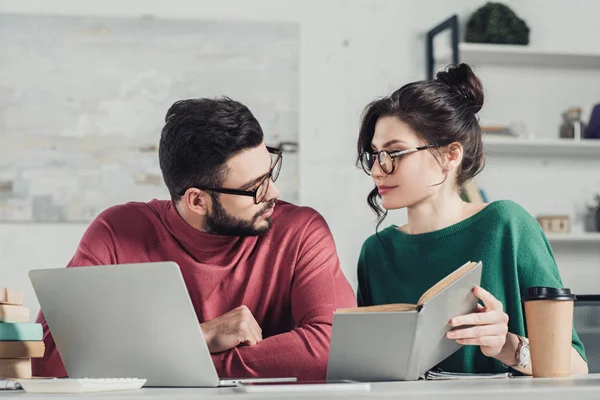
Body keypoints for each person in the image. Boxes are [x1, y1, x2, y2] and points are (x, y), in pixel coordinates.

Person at [33, 97, 356, 380]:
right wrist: (199, 336)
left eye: (270, 173)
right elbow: (42, 356)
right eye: (254, 188)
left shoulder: (301, 232)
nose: (273, 192)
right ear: (197, 200)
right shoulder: (116, 232)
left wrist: (179, 362)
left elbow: (337, 347)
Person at [354, 64, 588, 375]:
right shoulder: (376, 251)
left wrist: (506, 345)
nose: (377, 170)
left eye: (394, 154)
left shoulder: (507, 225)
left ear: (451, 155)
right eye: (374, 154)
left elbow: (576, 366)